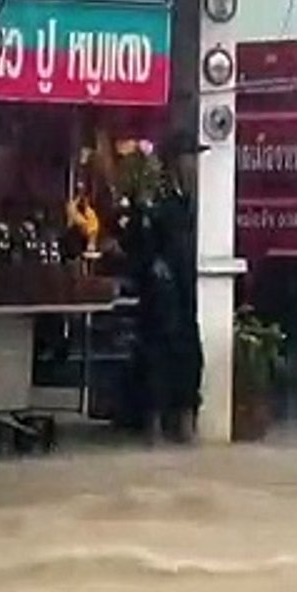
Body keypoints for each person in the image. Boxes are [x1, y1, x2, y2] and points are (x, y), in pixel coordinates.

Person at [133, 130, 207, 446]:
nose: (195, 166)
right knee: (157, 358)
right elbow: (143, 248)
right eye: (190, 158)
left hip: (186, 290)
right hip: (162, 297)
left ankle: (185, 417)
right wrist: (156, 271)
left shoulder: (189, 201)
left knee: (189, 355)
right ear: (176, 162)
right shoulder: (157, 201)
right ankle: (154, 423)